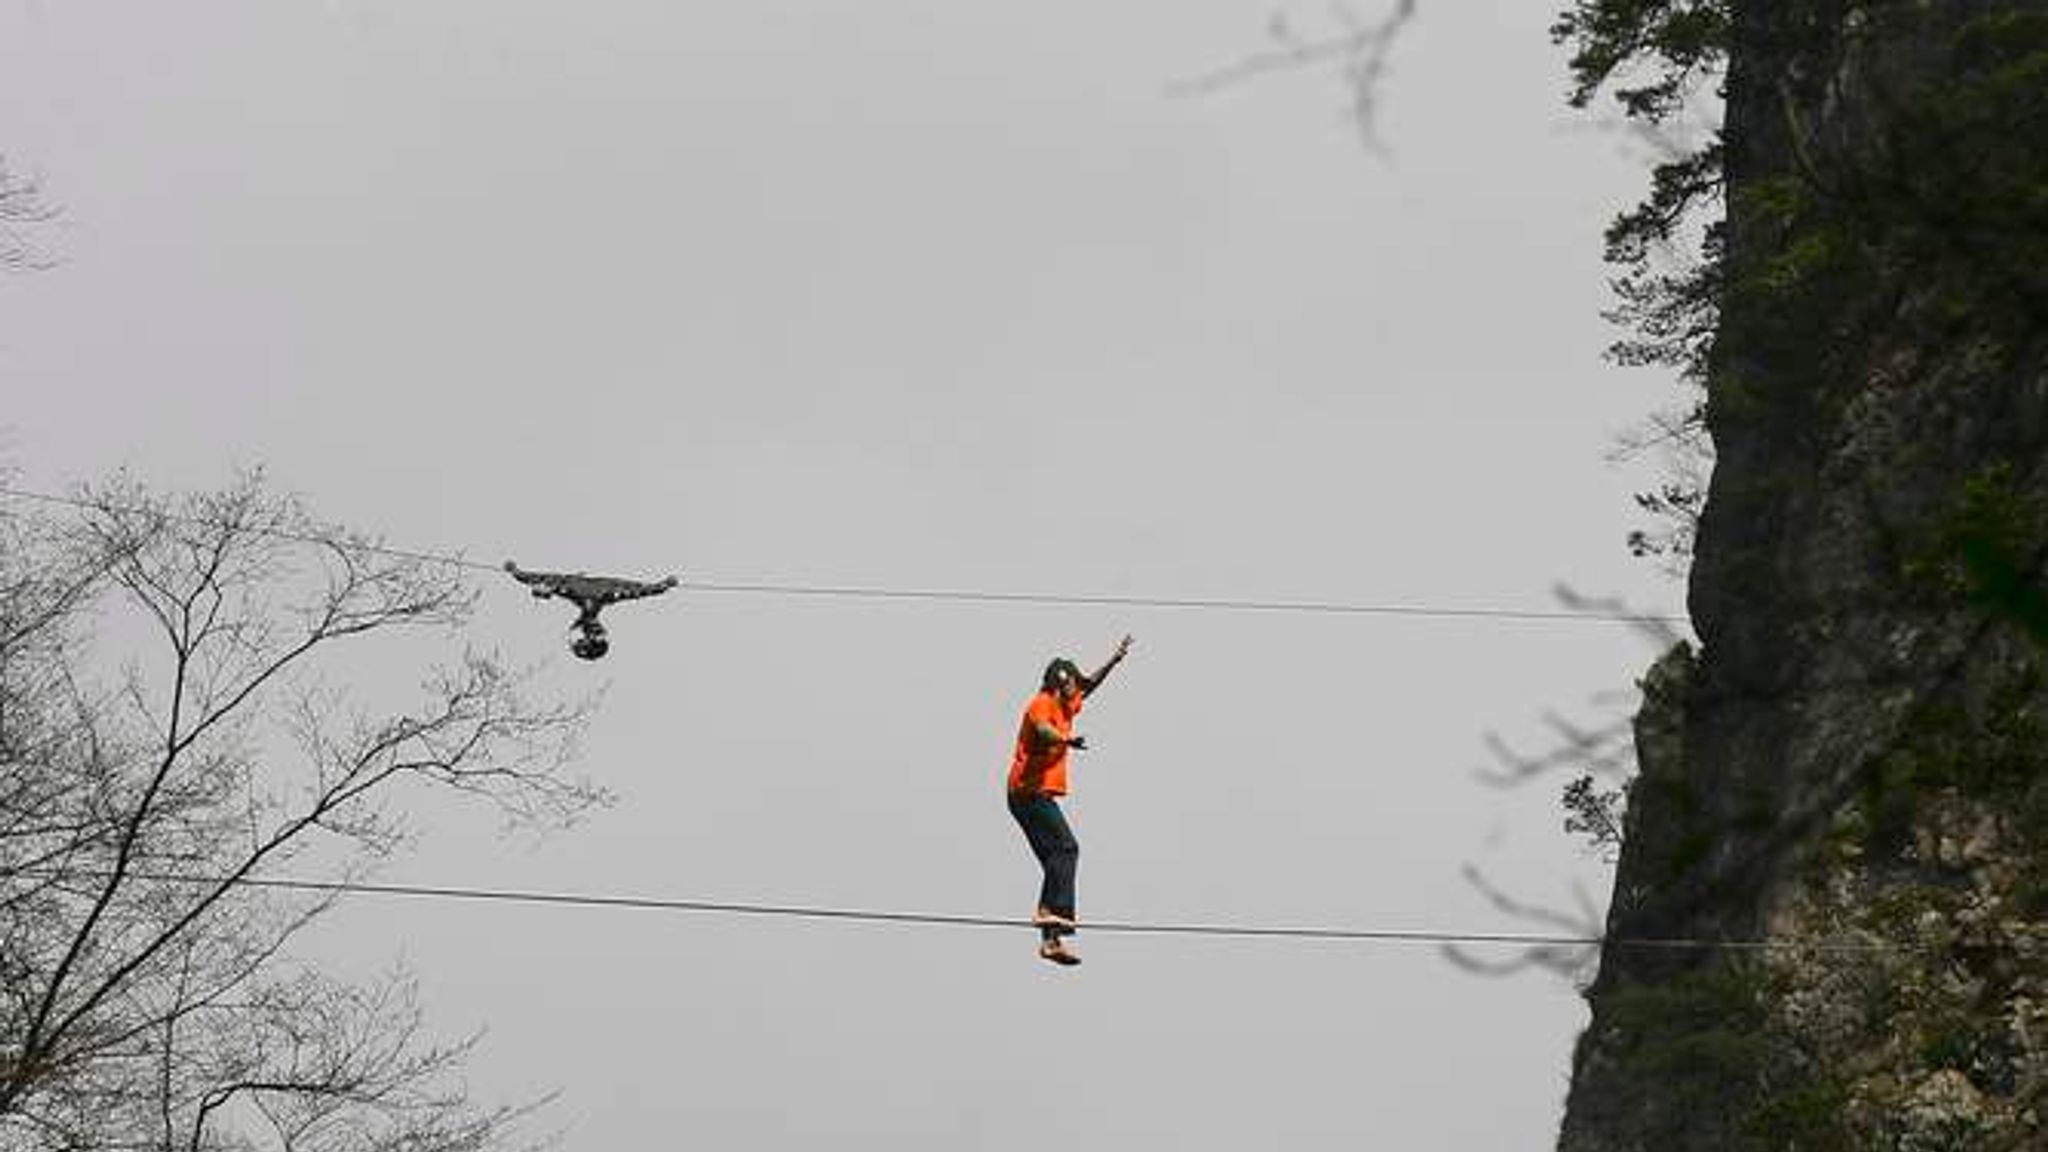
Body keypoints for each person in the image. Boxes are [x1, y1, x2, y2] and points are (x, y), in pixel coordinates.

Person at [1006, 634, 1133, 966]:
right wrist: (1067, 739)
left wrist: (1114, 661)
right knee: (1066, 849)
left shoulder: (1066, 702)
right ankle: (1050, 912)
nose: (1076, 691)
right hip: (1026, 794)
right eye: (1071, 684)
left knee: (1056, 860)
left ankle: (1051, 940)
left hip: (1034, 796)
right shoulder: (1041, 704)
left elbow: (1089, 685)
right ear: (1059, 682)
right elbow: (1044, 731)